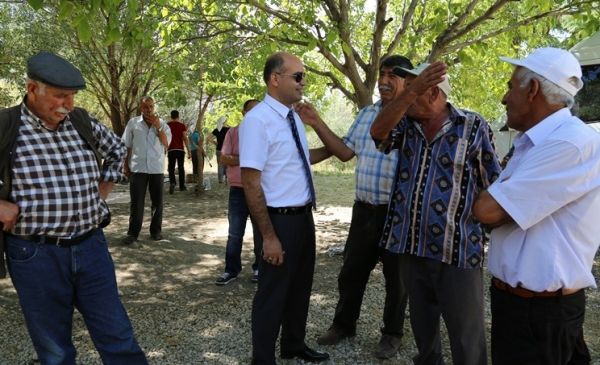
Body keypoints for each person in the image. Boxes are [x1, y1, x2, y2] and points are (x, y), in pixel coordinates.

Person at [0, 52, 147, 364]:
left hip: (91, 247)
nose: (68, 104)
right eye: (59, 96)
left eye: (72, 96)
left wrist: (101, 192)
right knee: (55, 353)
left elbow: (118, 150)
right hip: (35, 257)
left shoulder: (80, 122)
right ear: (31, 89)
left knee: (118, 338)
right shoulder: (6, 126)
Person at [473, 47, 598, 365]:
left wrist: (493, 199)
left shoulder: (568, 143)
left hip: (539, 313)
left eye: (511, 86)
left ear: (532, 90)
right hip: (525, 307)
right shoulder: (537, 142)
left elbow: (486, 211)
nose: (504, 98)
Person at [370, 62, 502, 365]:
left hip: (456, 251)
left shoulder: (473, 126)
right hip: (410, 245)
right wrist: (409, 93)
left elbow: (493, 184)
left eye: (413, 91)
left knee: (466, 337)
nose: (404, 97)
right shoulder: (404, 125)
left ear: (433, 93)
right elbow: (378, 132)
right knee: (424, 333)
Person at [295, 55, 413, 359]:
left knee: (397, 279)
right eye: (382, 75)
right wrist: (316, 121)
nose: (384, 82)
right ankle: (344, 324)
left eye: (393, 76)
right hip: (364, 210)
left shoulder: (414, 119)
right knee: (351, 272)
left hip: (398, 213)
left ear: (408, 81)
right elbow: (345, 152)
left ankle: (392, 333)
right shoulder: (366, 115)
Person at [239, 52, 329, 364]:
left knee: (299, 289)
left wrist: (333, 145)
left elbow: (298, 160)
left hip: (303, 218)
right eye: (298, 76)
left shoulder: (292, 118)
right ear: (275, 79)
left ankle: (293, 345)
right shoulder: (257, 120)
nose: (303, 82)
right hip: (279, 222)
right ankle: (262, 359)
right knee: (272, 295)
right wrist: (269, 237)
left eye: (304, 76)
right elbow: (251, 182)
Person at [215, 99, 263, 286]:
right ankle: (231, 270)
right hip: (238, 190)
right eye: (250, 111)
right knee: (235, 233)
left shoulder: (266, 133)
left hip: (260, 190)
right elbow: (224, 158)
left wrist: (238, 159)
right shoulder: (233, 133)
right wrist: (250, 159)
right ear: (243, 113)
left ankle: (259, 268)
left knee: (261, 231)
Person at [121, 96, 172, 245]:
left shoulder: (163, 124)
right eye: (145, 107)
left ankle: (156, 231)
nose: (148, 110)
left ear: (154, 107)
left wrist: (158, 127)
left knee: (157, 202)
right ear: (141, 108)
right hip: (138, 168)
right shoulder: (133, 123)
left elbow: (166, 143)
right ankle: (133, 233)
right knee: (137, 202)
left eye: (151, 107)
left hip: (156, 168)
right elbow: (127, 146)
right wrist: (125, 166)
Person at [167, 109, 190, 194]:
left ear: (171, 116)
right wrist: (189, 150)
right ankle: (182, 186)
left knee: (171, 168)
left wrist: (164, 149)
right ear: (178, 116)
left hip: (171, 149)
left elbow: (164, 138)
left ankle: (172, 182)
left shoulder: (167, 125)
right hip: (180, 150)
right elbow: (185, 138)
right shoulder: (182, 125)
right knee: (181, 168)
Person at [211, 119, 229, 183]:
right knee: (227, 164)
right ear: (224, 122)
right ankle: (227, 179)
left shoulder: (216, 130)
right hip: (226, 150)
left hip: (218, 149)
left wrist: (215, 143)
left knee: (220, 165)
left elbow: (208, 138)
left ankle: (220, 180)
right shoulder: (228, 129)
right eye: (226, 121)